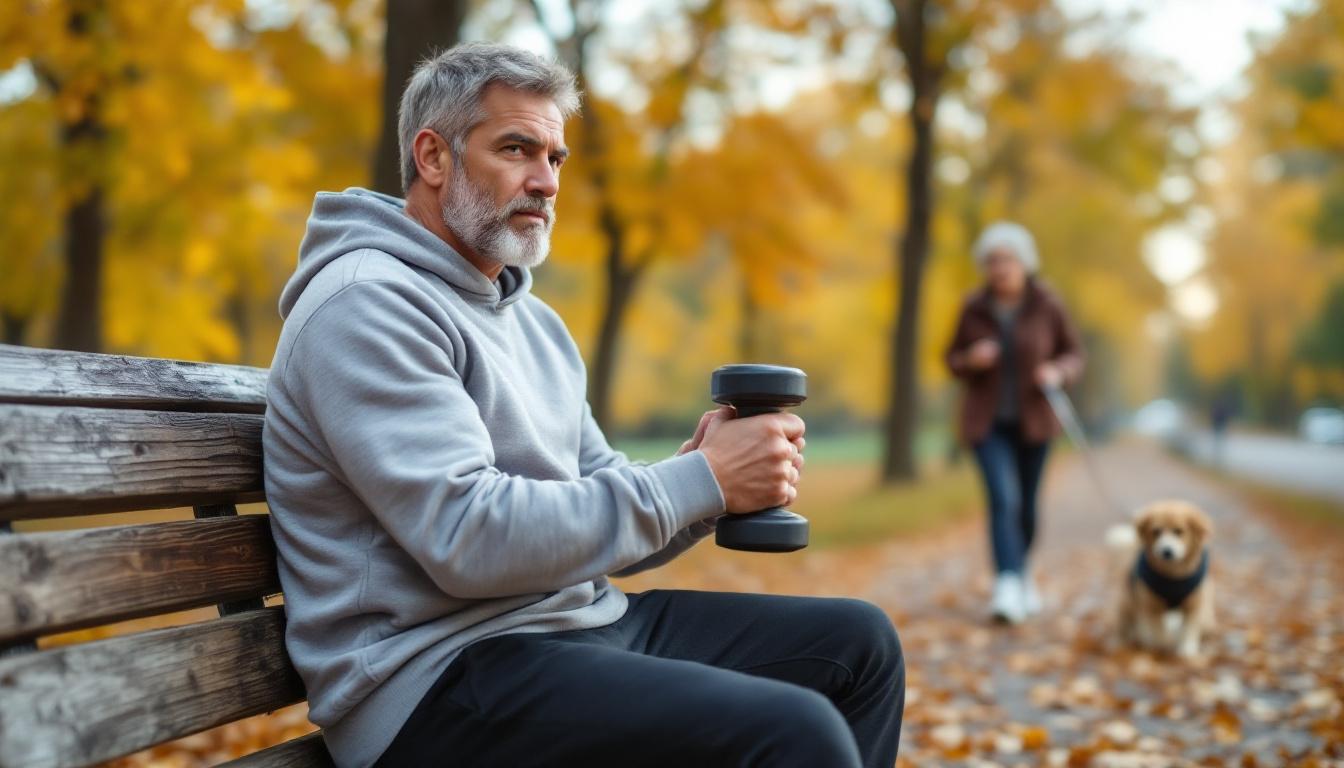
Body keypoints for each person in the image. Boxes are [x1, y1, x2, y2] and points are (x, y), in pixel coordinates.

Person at [262, 43, 903, 768]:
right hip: (436, 680)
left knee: (859, 647)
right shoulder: (366, 305)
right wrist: (699, 482)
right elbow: (465, 537)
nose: (546, 182)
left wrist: (712, 481)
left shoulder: (533, 322)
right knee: (794, 730)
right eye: (517, 149)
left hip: (571, 625)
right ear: (433, 158)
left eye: (556, 158)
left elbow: (594, 491)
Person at [944, 222, 1085, 625]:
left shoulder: (1047, 303)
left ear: (1025, 262)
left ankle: (1022, 575)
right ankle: (1006, 584)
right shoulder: (973, 306)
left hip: (1035, 422)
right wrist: (970, 360)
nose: (999, 268)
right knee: (1003, 500)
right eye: (991, 261)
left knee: (1026, 506)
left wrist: (1058, 371)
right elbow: (950, 358)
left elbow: (1074, 353)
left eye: (1006, 259)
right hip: (987, 425)